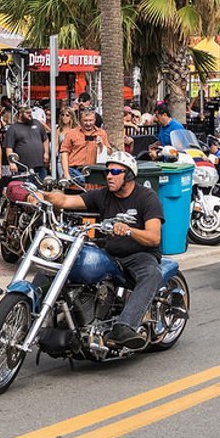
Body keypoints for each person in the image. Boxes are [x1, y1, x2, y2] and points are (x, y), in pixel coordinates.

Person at [40, 150, 164, 350]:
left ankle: (126, 326)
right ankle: (31, 309)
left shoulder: (147, 197)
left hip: (139, 255)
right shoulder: (102, 194)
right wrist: (41, 196)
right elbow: (65, 201)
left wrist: (129, 231)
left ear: (129, 175)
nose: (109, 176)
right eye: (107, 171)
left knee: (151, 274)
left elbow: (154, 237)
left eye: (115, 171)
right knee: (61, 263)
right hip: (110, 254)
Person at [61, 110, 108, 182]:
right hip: (75, 170)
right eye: (85, 120)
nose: (88, 123)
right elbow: (64, 153)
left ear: (95, 120)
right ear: (80, 121)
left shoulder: (101, 133)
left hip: (94, 171)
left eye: (91, 120)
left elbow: (109, 152)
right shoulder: (72, 133)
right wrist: (66, 174)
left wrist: (101, 146)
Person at [2, 105, 48, 173]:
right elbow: (9, 147)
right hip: (23, 167)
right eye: (27, 113)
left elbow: (45, 139)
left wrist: (46, 153)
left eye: (30, 113)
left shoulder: (37, 123)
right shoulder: (13, 129)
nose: (30, 115)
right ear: (20, 114)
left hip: (40, 165)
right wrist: (11, 163)